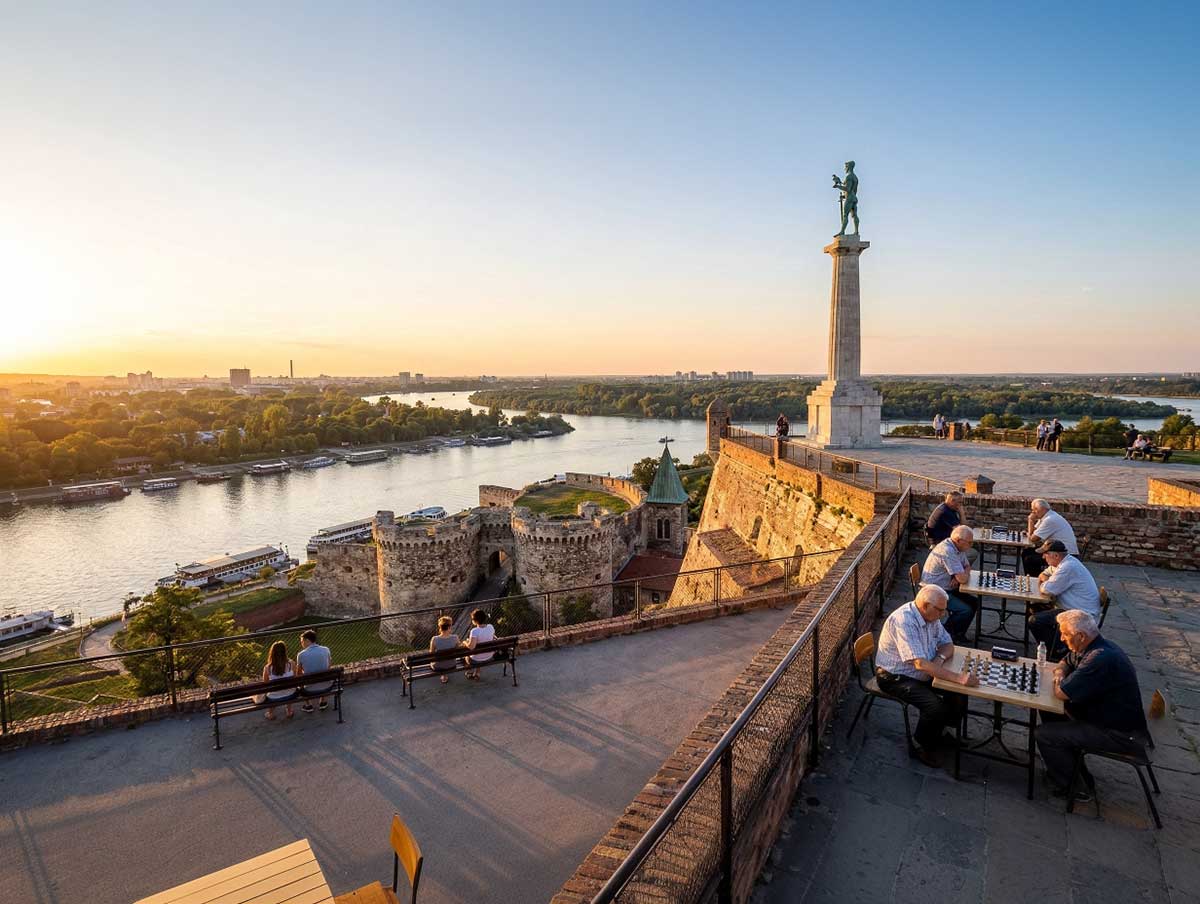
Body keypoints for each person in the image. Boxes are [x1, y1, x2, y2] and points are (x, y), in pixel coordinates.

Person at [1037, 610, 1148, 800]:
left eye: (1065, 634)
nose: (1062, 638)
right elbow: (1064, 662)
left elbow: (1061, 693)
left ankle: (1075, 788)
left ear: (1080, 636)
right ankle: (1071, 766)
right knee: (1048, 711)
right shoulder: (1093, 646)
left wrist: (1058, 678)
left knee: (1043, 734)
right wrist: (1061, 673)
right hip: (1104, 717)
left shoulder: (1099, 658)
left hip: (1118, 733)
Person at [875, 585, 978, 768]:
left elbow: (948, 644)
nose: (943, 615)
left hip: (922, 670)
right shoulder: (905, 621)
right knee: (935, 705)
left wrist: (939, 660)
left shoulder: (932, 616)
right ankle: (921, 745)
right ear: (925, 606)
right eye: (940, 610)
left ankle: (940, 731)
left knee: (958, 694)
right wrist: (958, 678)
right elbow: (920, 664)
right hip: (895, 677)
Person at [1027, 540, 1101, 650]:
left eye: (1046, 554)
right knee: (1034, 607)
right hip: (1072, 607)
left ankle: (1056, 650)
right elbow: (1044, 573)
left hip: (1081, 614)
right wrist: (1046, 579)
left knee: (1035, 621)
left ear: (1056, 555)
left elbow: (1047, 590)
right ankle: (1053, 643)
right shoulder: (1061, 562)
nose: (1043, 557)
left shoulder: (1068, 567)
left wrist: (1045, 582)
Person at [919, 525, 979, 642]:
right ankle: (944, 636)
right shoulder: (948, 551)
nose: (971, 546)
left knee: (974, 602)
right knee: (965, 610)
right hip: (934, 591)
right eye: (969, 543)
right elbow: (963, 578)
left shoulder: (958, 548)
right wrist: (959, 576)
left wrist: (958, 576)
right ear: (958, 540)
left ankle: (958, 634)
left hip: (946, 587)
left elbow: (967, 566)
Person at [1022, 499, 1079, 575]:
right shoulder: (1046, 516)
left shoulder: (1049, 520)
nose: (1033, 512)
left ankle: (1035, 580)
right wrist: (1030, 532)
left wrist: (1030, 520)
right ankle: (1034, 577)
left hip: (1065, 554)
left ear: (1041, 509)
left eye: (1034, 510)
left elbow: (1033, 539)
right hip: (1055, 550)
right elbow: (1033, 532)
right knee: (1026, 552)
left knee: (1029, 559)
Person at [923, 492, 978, 565]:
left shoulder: (945, 507)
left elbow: (962, 529)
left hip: (945, 540)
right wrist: (961, 512)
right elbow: (962, 529)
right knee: (972, 553)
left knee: (971, 546)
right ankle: (955, 571)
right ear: (952, 501)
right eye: (960, 502)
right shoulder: (946, 512)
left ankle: (957, 569)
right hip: (941, 545)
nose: (961, 505)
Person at [296, 628, 333, 713]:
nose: (301, 644)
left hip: (310, 689)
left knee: (300, 683)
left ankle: (308, 705)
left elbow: (298, 674)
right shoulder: (326, 649)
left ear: (307, 640)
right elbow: (329, 667)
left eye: (302, 641)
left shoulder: (301, 655)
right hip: (327, 686)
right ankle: (323, 701)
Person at [261, 640, 297, 720]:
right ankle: (289, 710)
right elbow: (295, 678)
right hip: (291, 695)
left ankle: (270, 713)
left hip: (274, 698)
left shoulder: (268, 668)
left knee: (272, 693)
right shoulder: (292, 664)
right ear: (285, 651)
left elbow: (265, 684)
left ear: (272, 653)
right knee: (289, 688)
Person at [462, 608, 496, 680]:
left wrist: (465, 642)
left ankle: (469, 672)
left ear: (475, 621)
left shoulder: (474, 631)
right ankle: (477, 673)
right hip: (489, 657)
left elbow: (471, 647)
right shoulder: (491, 627)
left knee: (467, 655)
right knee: (478, 653)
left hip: (476, 661)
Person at [430, 615, 464, 684]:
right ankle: (444, 675)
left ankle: (443, 675)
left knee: (435, 661)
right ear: (449, 627)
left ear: (440, 627)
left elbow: (431, 653)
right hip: (452, 664)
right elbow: (459, 649)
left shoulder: (434, 639)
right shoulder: (455, 637)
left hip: (438, 666)